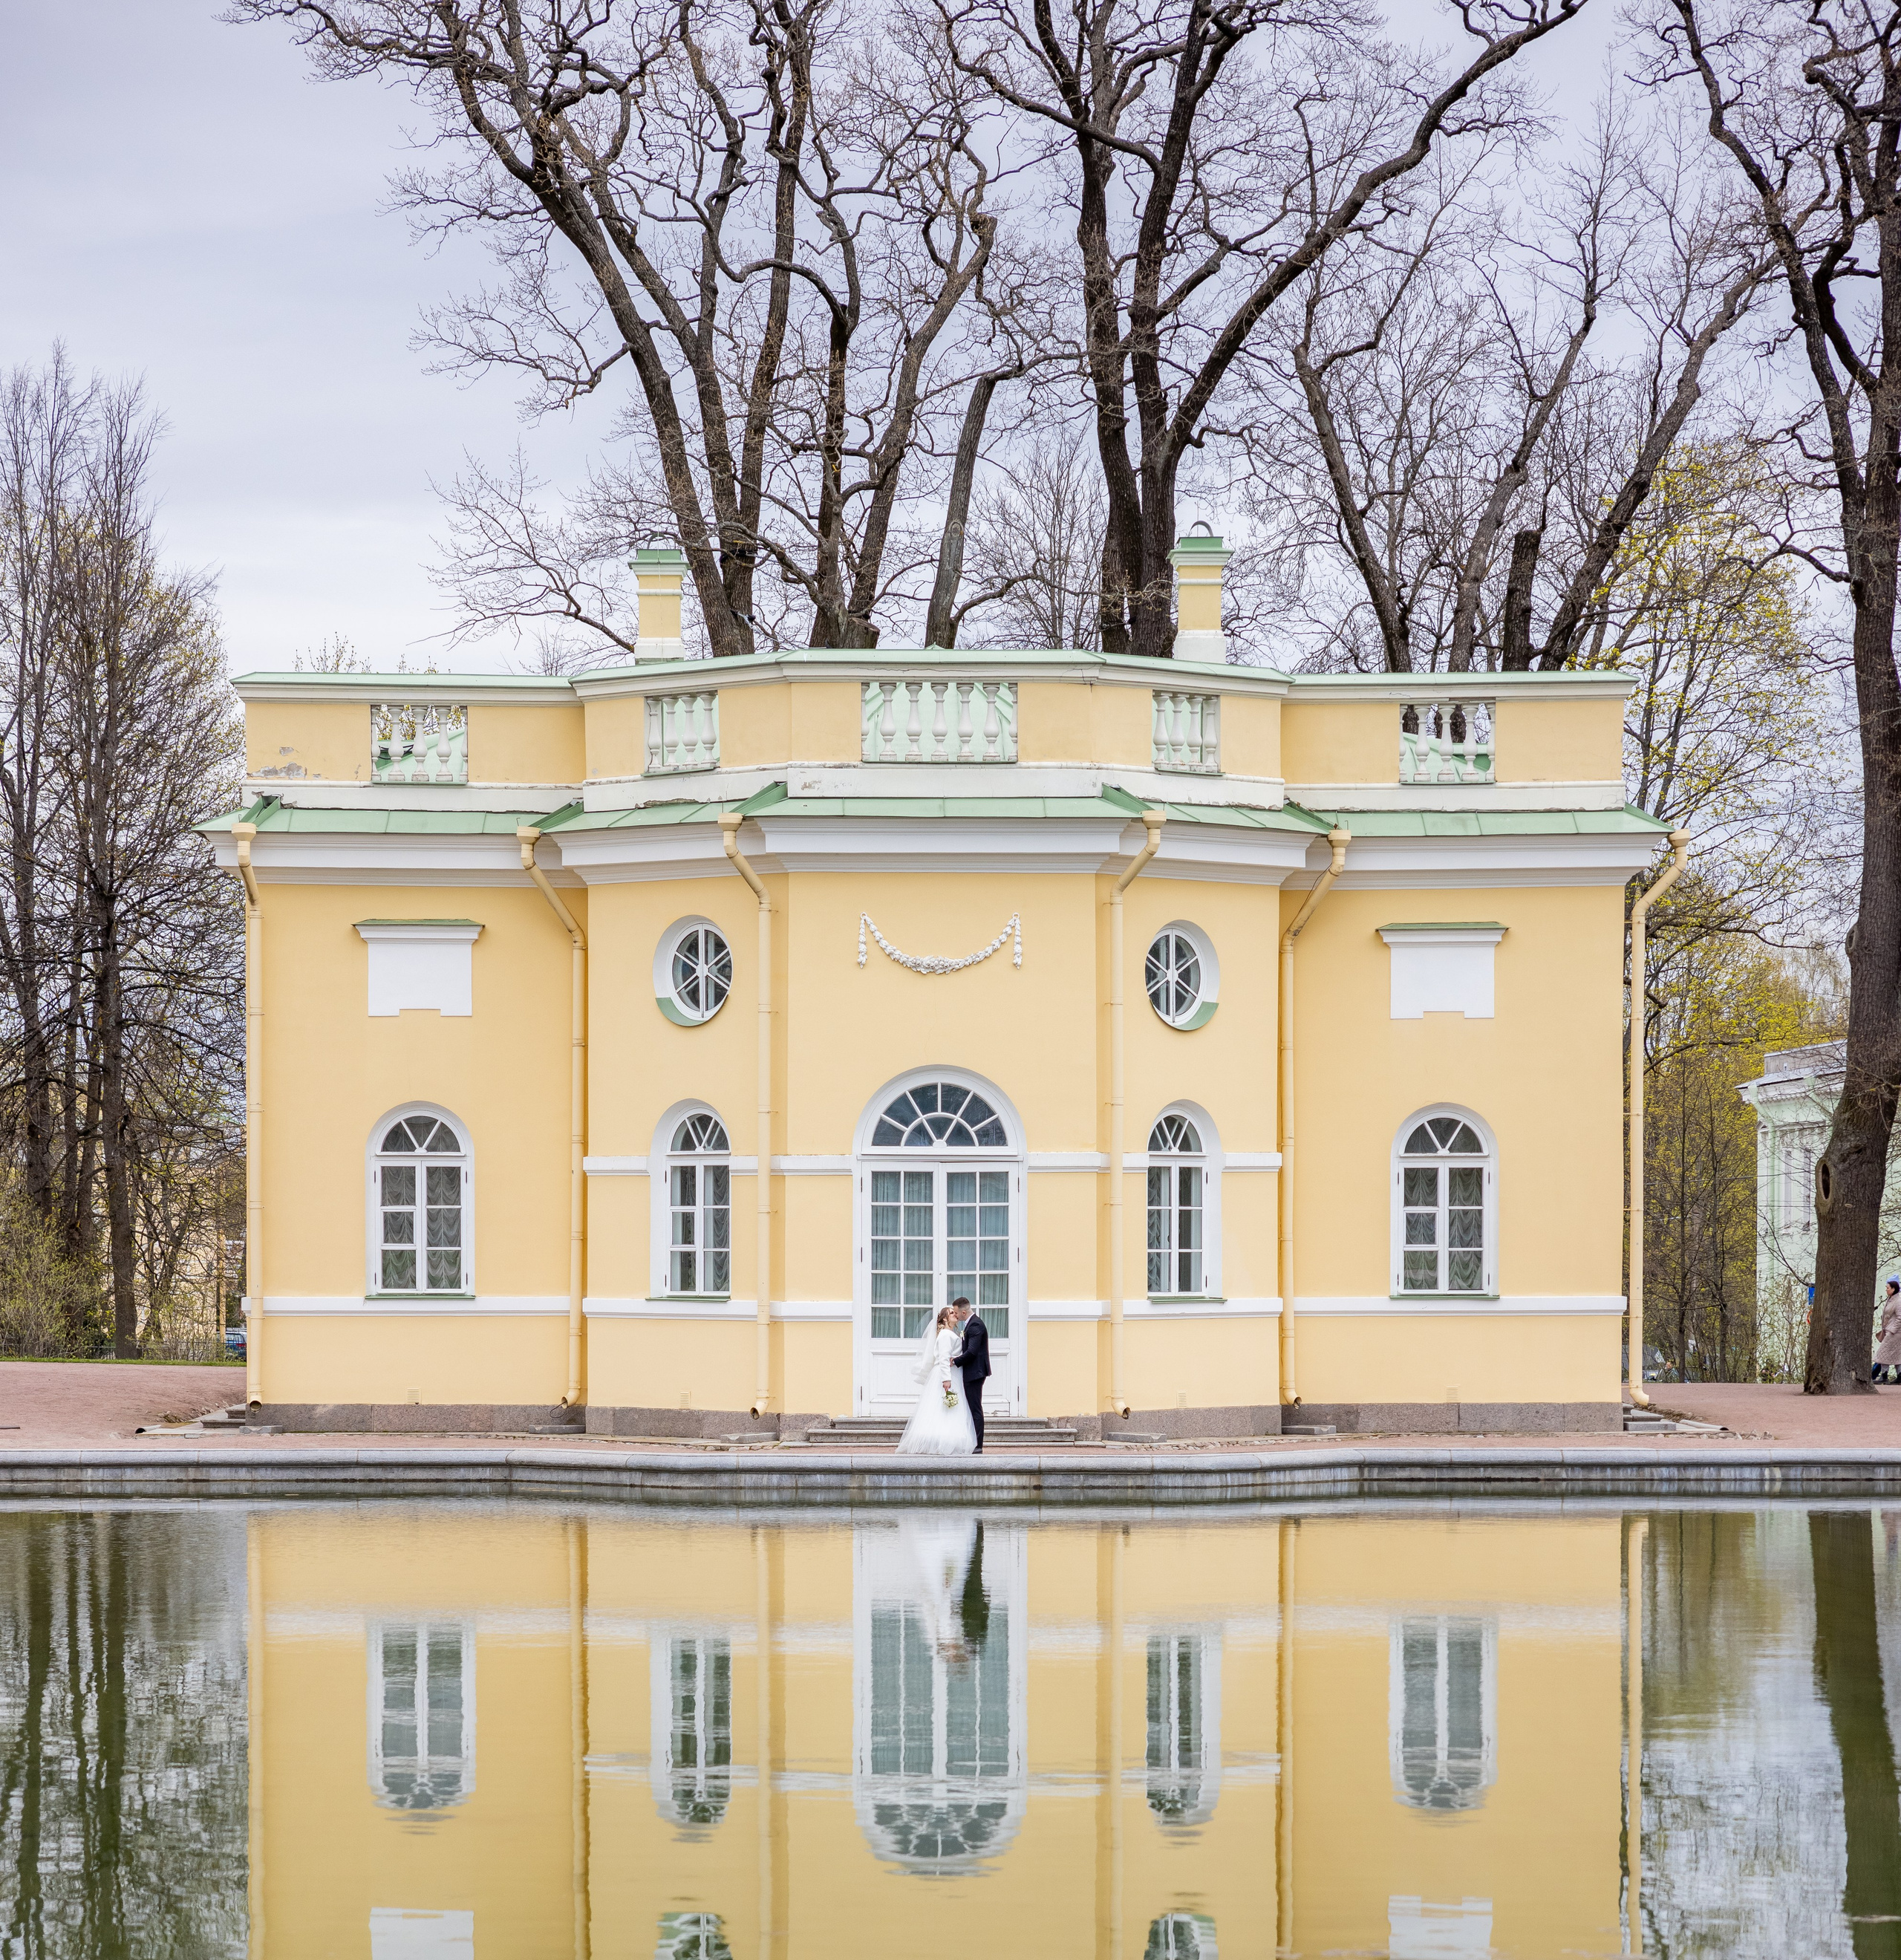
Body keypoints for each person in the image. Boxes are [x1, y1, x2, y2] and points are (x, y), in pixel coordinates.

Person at [895, 1304, 977, 1456]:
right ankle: (941, 1440)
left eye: (955, 1312)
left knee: (948, 1408)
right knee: (944, 1407)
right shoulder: (946, 1335)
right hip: (946, 1374)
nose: (955, 1315)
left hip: (954, 1373)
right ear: (945, 1318)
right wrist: (946, 1379)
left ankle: (948, 1439)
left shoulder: (951, 1334)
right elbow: (944, 1358)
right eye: (952, 1313)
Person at [952, 1297, 992, 1453]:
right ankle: (974, 1442)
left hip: (975, 1373)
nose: (956, 1316)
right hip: (973, 1372)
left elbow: (972, 1352)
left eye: (956, 1313)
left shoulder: (975, 1325)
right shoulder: (971, 1324)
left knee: (975, 1408)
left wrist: (955, 1361)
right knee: (972, 1407)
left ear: (963, 1312)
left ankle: (978, 1445)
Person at [1876, 1279, 1901, 1385]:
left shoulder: (1898, 1301)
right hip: (1889, 1331)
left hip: (1895, 1332)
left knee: (1882, 1352)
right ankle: (1900, 1376)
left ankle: (1884, 1376)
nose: (1886, 1290)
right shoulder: (1891, 1299)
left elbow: (1900, 1317)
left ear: (1893, 1289)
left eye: (1888, 1288)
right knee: (1896, 1355)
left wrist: (1892, 1330)